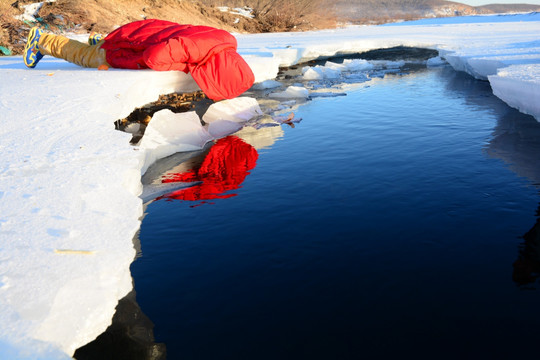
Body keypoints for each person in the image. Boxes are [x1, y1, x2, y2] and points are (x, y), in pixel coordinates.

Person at [24, 19, 255, 101]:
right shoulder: (192, 51)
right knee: (87, 57)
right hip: (129, 48)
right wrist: (185, 66)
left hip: (141, 33)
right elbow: (154, 58)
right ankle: (43, 40)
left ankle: (101, 42)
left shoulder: (224, 41)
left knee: (101, 48)